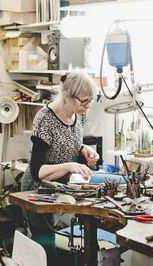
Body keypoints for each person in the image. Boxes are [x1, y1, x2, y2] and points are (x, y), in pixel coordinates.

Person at [21, 70, 100, 264]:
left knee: (65, 248)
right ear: (66, 96)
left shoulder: (77, 115)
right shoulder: (45, 119)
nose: (87, 106)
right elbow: (37, 171)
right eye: (83, 101)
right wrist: (70, 165)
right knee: (45, 251)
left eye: (90, 101)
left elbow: (68, 146)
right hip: (38, 191)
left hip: (60, 190)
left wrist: (84, 151)